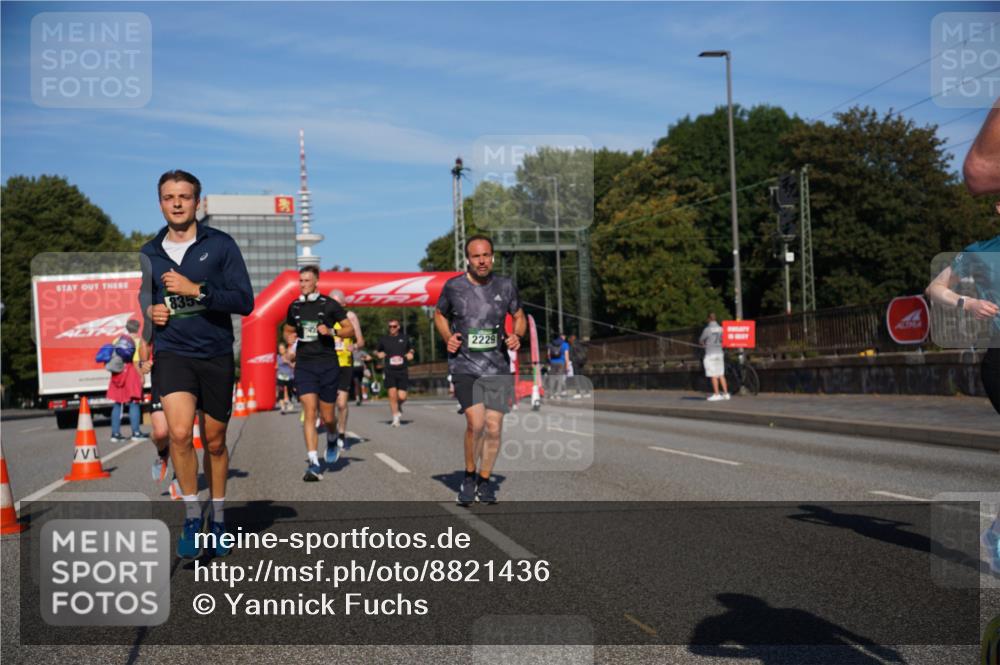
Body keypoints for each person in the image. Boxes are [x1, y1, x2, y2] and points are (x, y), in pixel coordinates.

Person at [141, 169, 254, 559]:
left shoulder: (220, 245)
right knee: (176, 433)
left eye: (184, 197)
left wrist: (197, 290)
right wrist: (152, 314)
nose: (176, 203)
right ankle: (192, 515)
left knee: (216, 441)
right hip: (173, 353)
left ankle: (219, 518)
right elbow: (146, 302)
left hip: (215, 353)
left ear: (196, 203)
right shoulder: (149, 252)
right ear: (160, 203)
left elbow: (244, 301)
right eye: (169, 197)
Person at [435, 234, 526, 505]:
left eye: (486, 255)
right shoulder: (454, 287)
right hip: (465, 366)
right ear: (468, 260)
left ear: (493, 256)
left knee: (494, 428)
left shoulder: (506, 285)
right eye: (476, 256)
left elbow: (519, 315)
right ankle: (469, 476)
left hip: (497, 367)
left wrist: (517, 335)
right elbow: (439, 314)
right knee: (475, 424)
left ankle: (485, 481)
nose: (482, 260)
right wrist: (447, 337)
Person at [285, 266, 354, 480]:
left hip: (327, 364)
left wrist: (332, 331)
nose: (303, 284)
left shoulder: (328, 305)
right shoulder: (295, 306)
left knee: (327, 416)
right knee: (310, 411)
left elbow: (349, 329)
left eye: (307, 280)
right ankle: (313, 462)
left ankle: (332, 436)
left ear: (316, 282)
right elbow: (287, 329)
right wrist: (290, 340)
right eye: (301, 280)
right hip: (305, 364)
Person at [330, 289, 364, 448]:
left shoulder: (350, 317)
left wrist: (355, 346)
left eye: (338, 303)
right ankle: (332, 431)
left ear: (344, 303)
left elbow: (361, 341)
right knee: (328, 404)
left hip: (344, 364)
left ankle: (341, 433)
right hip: (327, 364)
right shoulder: (324, 318)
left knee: (342, 404)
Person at [106, 319, 149, 443]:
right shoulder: (138, 341)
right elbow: (136, 361)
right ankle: (136, 432)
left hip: (118, 373)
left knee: (118, 403)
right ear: (138, 328)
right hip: (131, 372)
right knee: (134, 402)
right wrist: (141, 376)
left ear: (127, 328)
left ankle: (115, 434)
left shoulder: (117, 340)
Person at [375, 319, 414, 428]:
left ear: (398, 327)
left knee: (402, 396)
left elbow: (411, 349)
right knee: (392, 395)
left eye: (394, 326)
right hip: (389, 370)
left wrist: (411, 353)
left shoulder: (405, 338)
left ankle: (399, 405)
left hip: (402, 370)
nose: (392, 328)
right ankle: (395, 419)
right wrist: (379, 354)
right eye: (390, 326)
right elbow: (376, 351)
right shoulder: (384, 339)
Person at [699, 313, 730, 401]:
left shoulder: (707, 330)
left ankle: (716, 394)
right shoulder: (721, 329)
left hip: (710, 354)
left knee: (713, 375)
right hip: (719, 353)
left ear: (709, 319)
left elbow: (701, 340)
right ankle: (726, 393)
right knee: (721, 374)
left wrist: (703, 344)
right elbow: (724, 340)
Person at [546, 333, 570, 399]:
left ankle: (551, 394)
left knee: (552, 378)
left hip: (553, 363)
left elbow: (548, 354)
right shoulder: (565, 344)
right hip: (561, 363)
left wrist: (549, 363)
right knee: (560, 378)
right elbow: (566, 356)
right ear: (563, 338)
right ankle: (558, 395)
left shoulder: (552, 343)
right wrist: (567, 367)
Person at [276, 339, 296, 414]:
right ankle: (282, 407)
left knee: (289, 392)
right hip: (280, 377)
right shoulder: (277, 357)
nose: (281, 350)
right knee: (281, 391)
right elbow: (276, 366)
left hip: (289, 377)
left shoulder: (290, 356)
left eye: (282, 349)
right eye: (279, 349)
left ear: (286, 349)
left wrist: (288, 362)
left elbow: (294, 365)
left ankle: (289, 401)